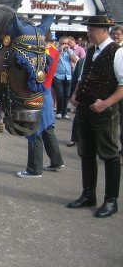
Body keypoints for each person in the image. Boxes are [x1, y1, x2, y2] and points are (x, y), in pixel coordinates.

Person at [68, 15, 123, 218]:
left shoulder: (118, 52)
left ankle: (111, 200)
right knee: (87, 152)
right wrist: (75, 94)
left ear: (103, 30)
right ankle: (88, 194)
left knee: (109, 154)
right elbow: (84, 77)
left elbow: (122, 85)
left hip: (105, 112)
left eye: (91, 29)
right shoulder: (91, 51)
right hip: (85, 109)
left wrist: (106, 103)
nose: (88, 33)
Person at [16, 31, 64, 178]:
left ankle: (34, 169)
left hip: (39, 93)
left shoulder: (45, 53)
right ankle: (56, 160)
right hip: (47, 92)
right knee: (48, 129)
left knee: (33, 131)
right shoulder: (55, 50)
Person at [52, 36, 78, 119]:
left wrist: (69, 52)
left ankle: (64, 112)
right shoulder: (56, 51)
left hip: (68, 76)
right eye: (63, 43)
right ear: (59, 44)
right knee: (59, 94)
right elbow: (54, 60)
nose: (64, 45)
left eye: (66, 43)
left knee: (66, 95)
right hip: (57, 76)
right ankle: (59, 112)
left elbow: (75, 60)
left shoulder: (70, 51)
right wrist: (60, 51)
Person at [66, 55, 86, 147]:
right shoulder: (82, 61)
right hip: (81, 94)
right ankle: (74, 138)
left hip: (99, 97)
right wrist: (72, 95)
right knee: (78, 117)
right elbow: (76, 79)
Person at [110, 25, 123, 160]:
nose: (116, 36)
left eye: (118, 34)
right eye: (114, 34)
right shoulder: (110, 48)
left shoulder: (120, 50)